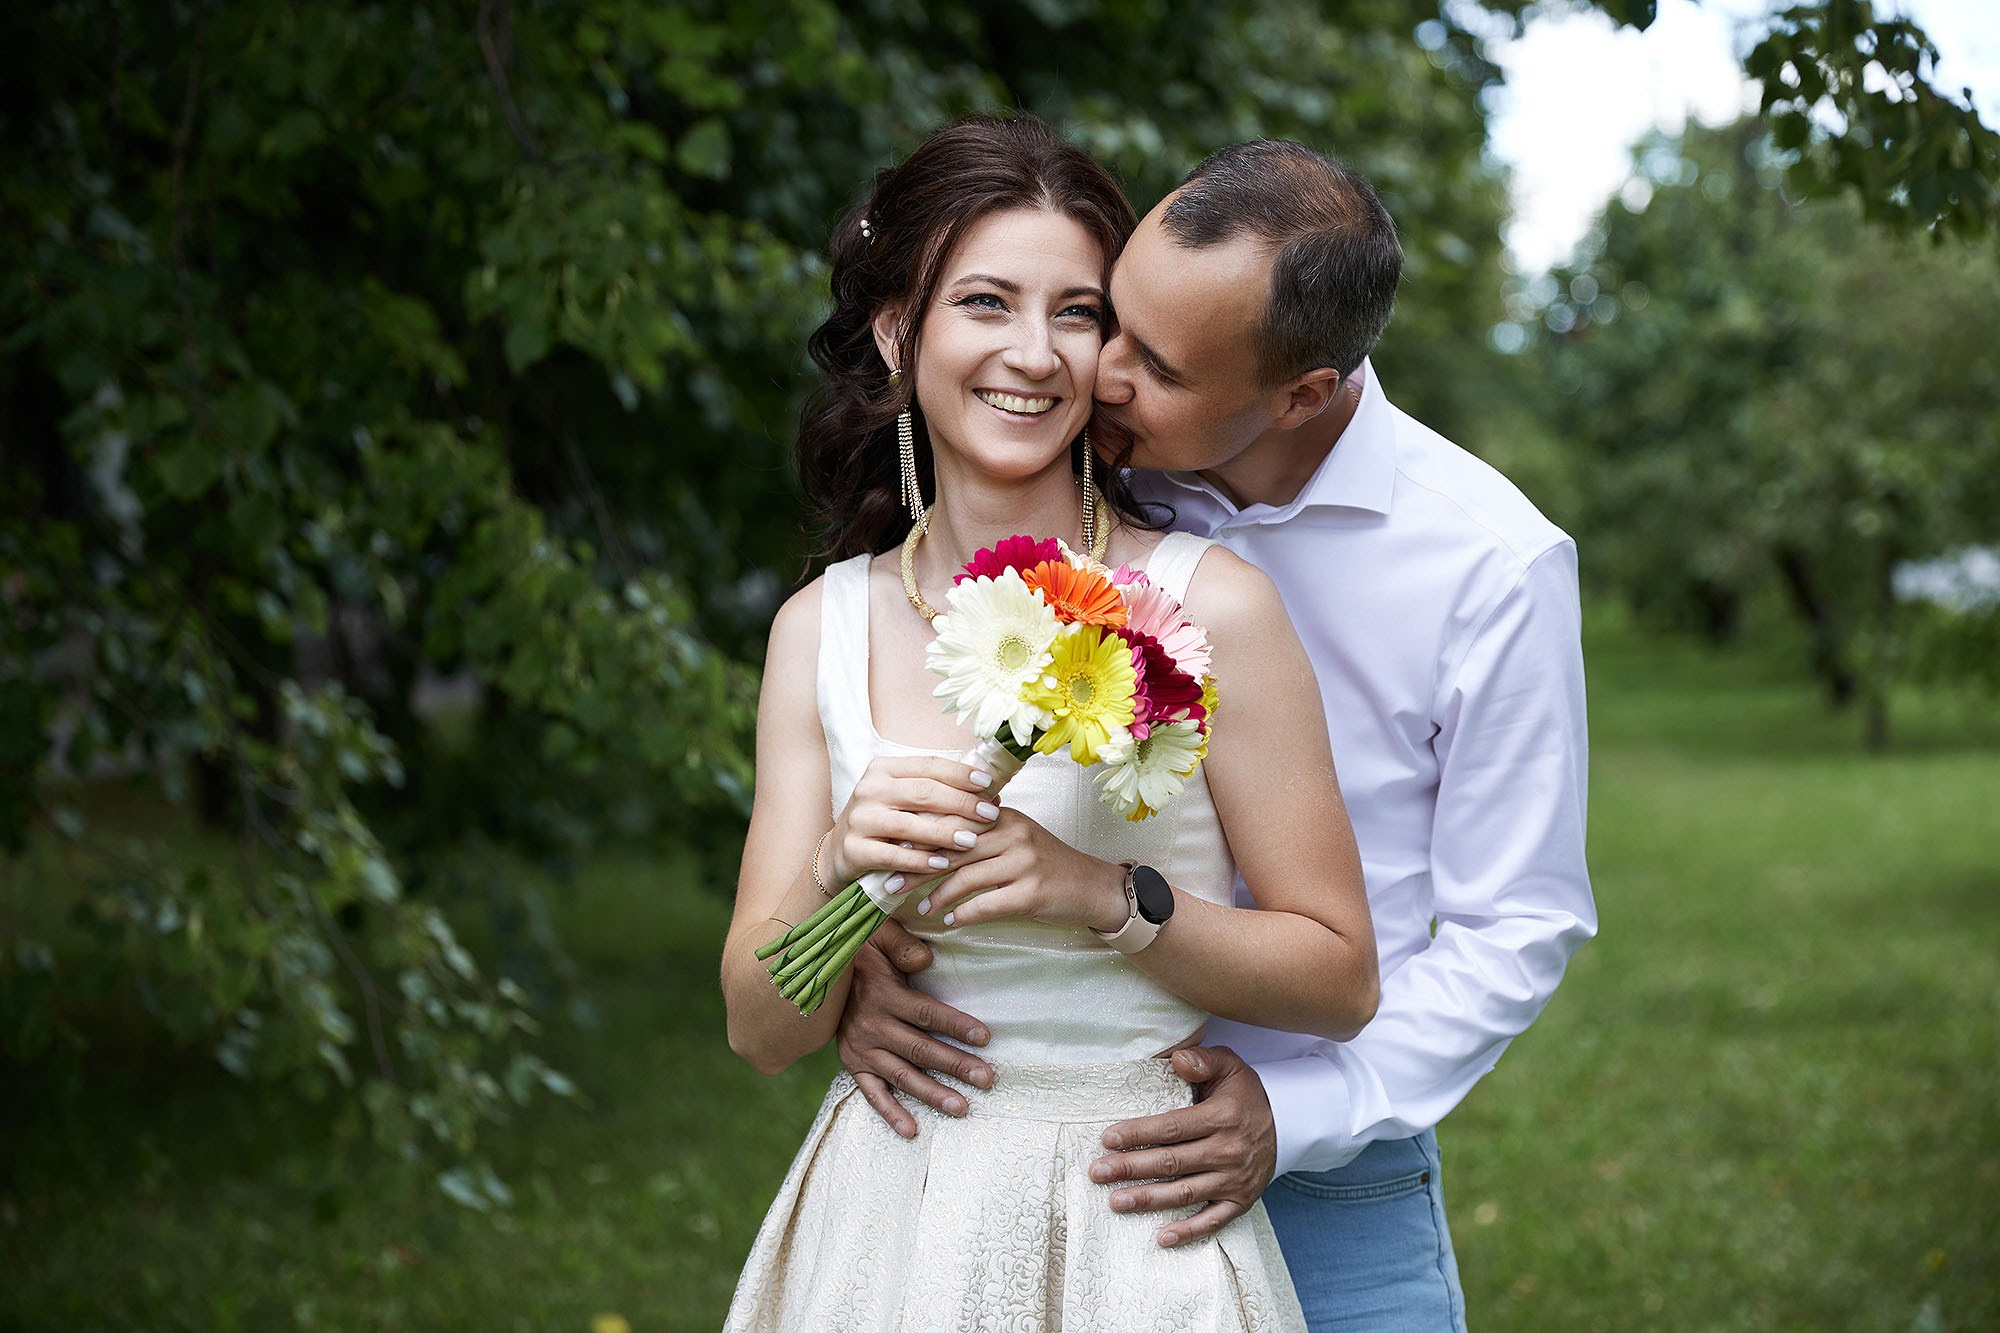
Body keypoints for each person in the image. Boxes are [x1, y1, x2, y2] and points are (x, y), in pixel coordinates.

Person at [836, 140, 1597, 1332]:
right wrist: (849, 966)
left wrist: (1301, 1113)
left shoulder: (1487, 566)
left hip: (1327, 1167)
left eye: (1158, 363)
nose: (1101, 372)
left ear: (1299, 391)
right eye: (1112, 321)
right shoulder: (1099, 473)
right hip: (1045, 1137)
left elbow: (1519, 923)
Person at [719, 115, 1380, 1332]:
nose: (1033, 354)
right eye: (983, 302)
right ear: (895, 333)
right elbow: (759, 1029)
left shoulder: (1205, 605)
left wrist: (1096, 893)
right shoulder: (820, 628)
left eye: (1076, 312)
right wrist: (832, 869)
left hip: (1129, 1216)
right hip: (889, 1211)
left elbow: (1339, 977)